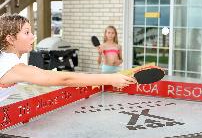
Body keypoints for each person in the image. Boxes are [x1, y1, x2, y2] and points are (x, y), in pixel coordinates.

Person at [0, 14, 136, 101]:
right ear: (11, 39)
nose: (33, 36)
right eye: (27, 32)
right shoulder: (10, 66)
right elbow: (65, 78)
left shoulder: (7, 61)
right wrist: (110, 79)